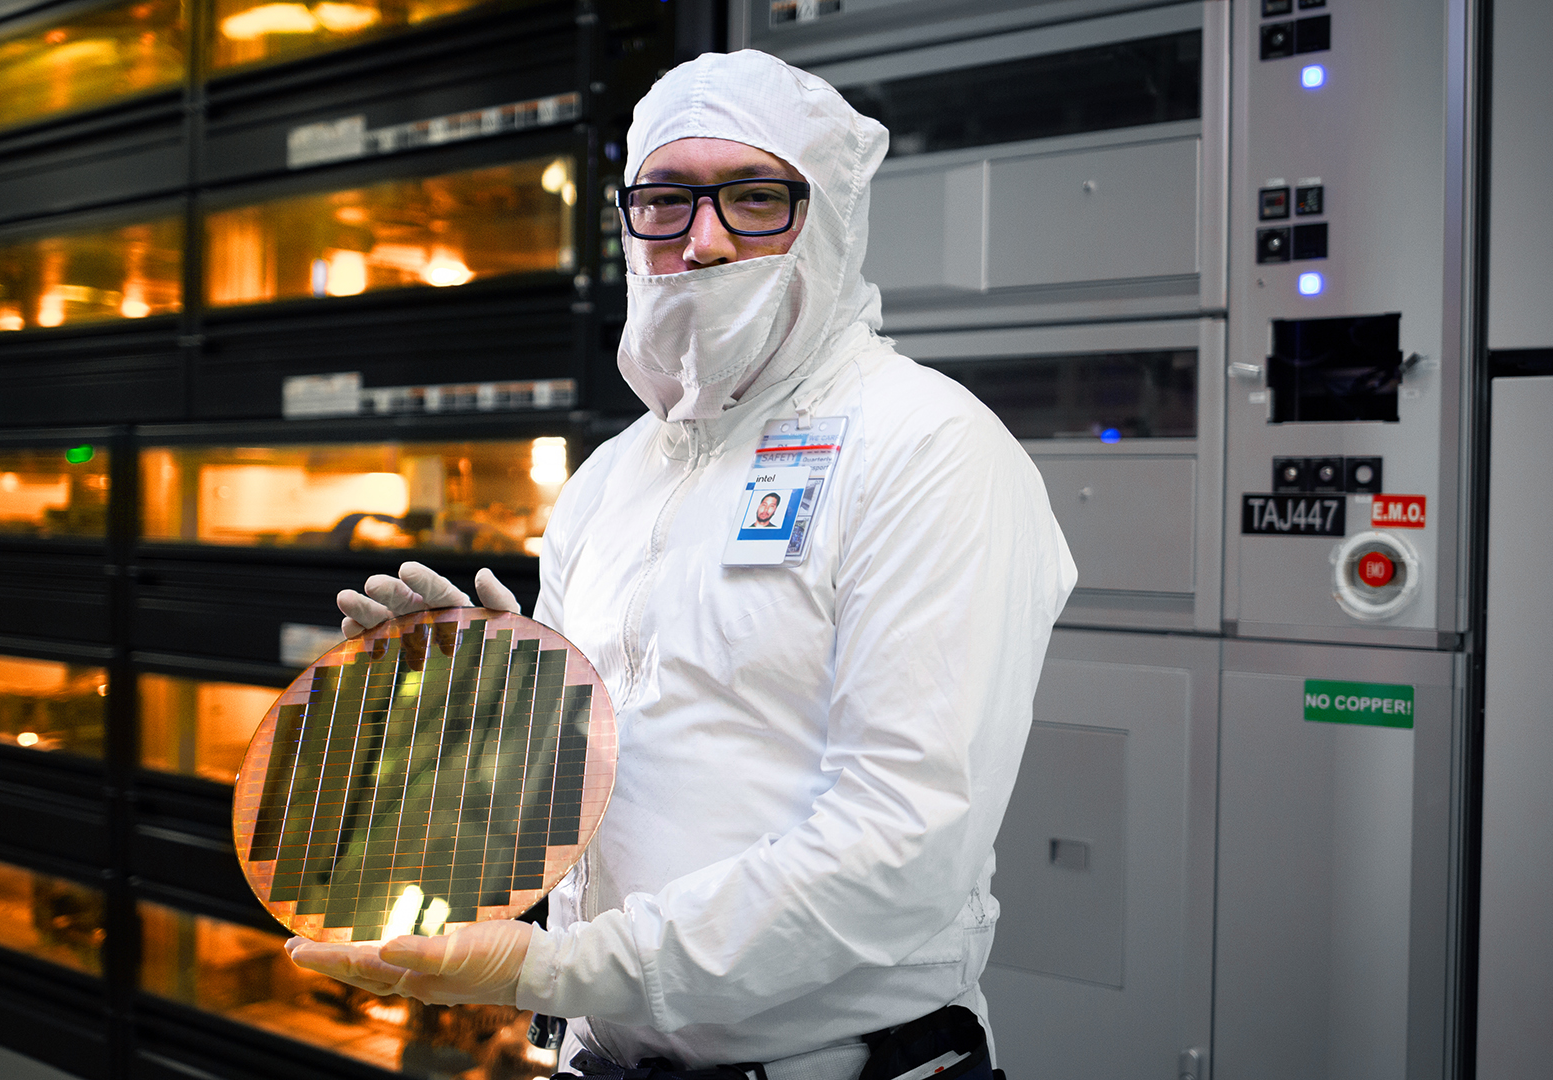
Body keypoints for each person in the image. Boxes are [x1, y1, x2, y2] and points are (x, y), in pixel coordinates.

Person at [284, 48, 1077, 1080]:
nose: (702, 241)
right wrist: (480, 719)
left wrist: (556, 969)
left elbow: (902, 844)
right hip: (599, 1058)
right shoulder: (610, 479)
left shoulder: (929, 447)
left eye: (754, 199)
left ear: (828, 221)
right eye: (665, 200)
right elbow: (586, 796)